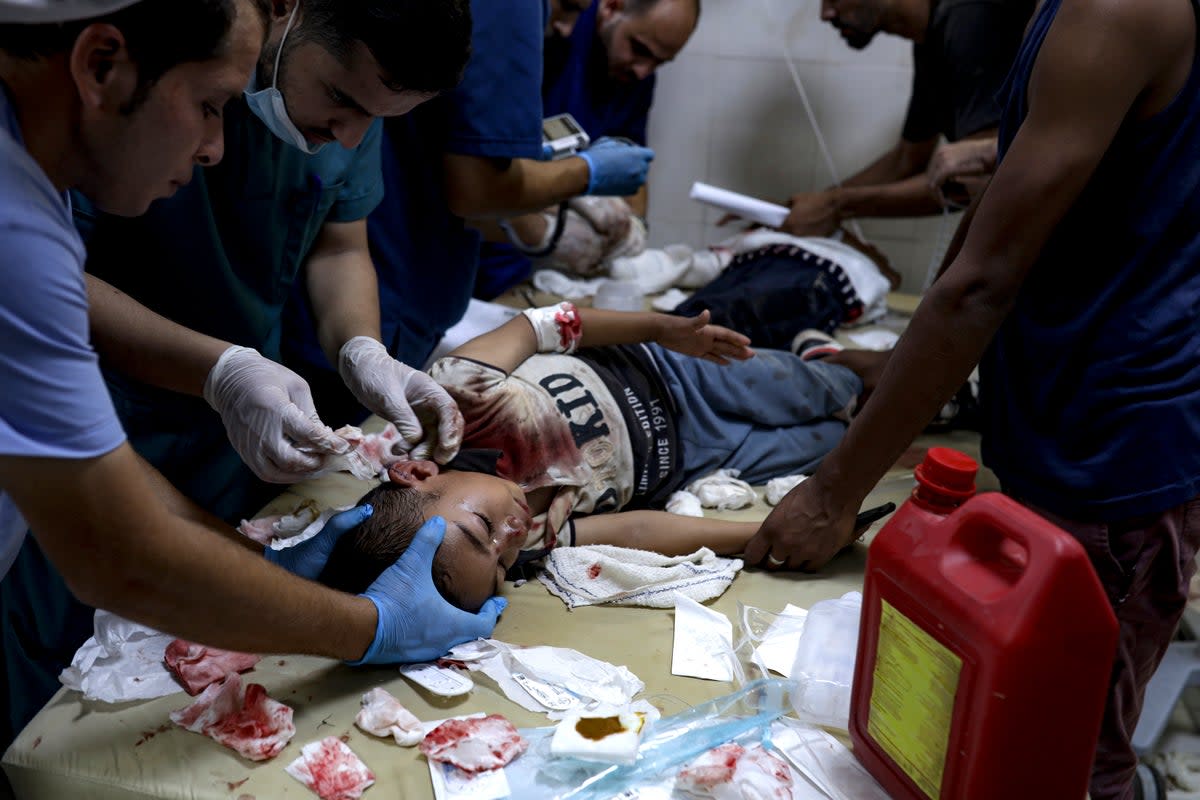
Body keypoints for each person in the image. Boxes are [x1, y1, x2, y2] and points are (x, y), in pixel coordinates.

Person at [0, 0, 503, 747]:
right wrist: (369, 628)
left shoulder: (30, 195)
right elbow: (119, 556)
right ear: (101, 66)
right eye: (211, 106)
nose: (214, 146)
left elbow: (109, 491)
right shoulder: (20, 234)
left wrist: (359, 350)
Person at [746, 0, 1200, 792]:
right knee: (1005, 723)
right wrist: (903, 362)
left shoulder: (1116, 9)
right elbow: (999, 222)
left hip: (1113, 448)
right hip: (1061, 421)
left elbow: (984, 281)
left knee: (1068, 757)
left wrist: (831, 492)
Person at [309, 302, 870, 610]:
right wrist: (762, 533)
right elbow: (637, 530)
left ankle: (845, 361)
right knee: (836, 447)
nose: (510, 533)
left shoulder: (451, 402)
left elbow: (541, 326)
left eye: (483, 527)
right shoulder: (522, 542)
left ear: (416, 472)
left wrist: (660, 327)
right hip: (699, 457)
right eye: (501, 566)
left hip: (673, 375)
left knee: (830, 387)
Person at [285, 0, 657, 425]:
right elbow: (476, 184)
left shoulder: (359, 126)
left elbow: (342, 245)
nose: (568, 29)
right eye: (567, 9)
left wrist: (363, 352)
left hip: (376, 300)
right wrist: (581, 178)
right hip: (365, 298)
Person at [476, 0, 702, 297]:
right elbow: (474, 176)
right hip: (472, 243)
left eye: (659, 62)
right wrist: (548, 228)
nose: (644, 71)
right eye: (640, 49)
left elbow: (631, 164)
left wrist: (632, 230)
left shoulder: (632, 75)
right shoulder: (550, 34)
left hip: (521, 270)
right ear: (611, 7)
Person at [766, 0, 1030, 238]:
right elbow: (907, 159)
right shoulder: (933, 35)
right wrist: (806, 207)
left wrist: (836, 205)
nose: (826, 13)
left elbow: (979, 176)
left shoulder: (970, 17)